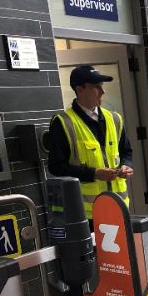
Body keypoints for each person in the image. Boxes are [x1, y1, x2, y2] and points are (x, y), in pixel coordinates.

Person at [48, 65, 134, 219]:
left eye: (102, 86)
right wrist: (93, 174)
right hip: (87, 214)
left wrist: (126, 166)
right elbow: (56, 167)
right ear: (79, 90)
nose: (103, 92)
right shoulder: (63, 122)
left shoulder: (114, 119)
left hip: (119, 207)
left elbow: (126, 151)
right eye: (96, 87)